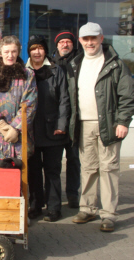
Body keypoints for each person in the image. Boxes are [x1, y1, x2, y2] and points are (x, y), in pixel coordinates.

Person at [68, 22, 134, 232]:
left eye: (93, 38)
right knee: (88, 168)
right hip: (83, 125)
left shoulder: (115, 64)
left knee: (109, 169)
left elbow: (127, 96)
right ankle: (87, 208)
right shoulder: (75, 63)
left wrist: (123, 122)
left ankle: (108, 214)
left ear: (101, 38)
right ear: (80, 41)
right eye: (85, 39)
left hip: (109, 125)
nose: (90, 42)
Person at [26, 36, 70, 222]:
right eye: (33, 49)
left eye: (40, 48)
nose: (37, 52)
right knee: (33, 171)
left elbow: (64, 100)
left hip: (53, 131)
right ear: (29, 51)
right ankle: (35, 206)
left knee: (52, 171)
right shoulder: (24, 71)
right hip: (31, 131)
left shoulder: (56, 70)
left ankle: (54, 208)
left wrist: (61, 125)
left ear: (45, 51)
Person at [0, 36, 37, 160]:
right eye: (6, 52)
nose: (10, 55)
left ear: (18, 52)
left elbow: (29, 105)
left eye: (13, 51)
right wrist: (3, 127)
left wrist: (16, 129)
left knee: (19, 179)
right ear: (0, 53)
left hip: (21, 142)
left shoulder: (28, 75)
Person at [51, 30, 81, 209]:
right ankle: (53, 195)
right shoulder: (51, 64)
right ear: (57, 45)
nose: (64, 44)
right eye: (61, 42)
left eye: (68, 42)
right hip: (55, 120)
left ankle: (72, 194)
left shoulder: (81, 62)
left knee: (74, 159)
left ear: (73, 44)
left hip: (75, 120)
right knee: (53, 163)